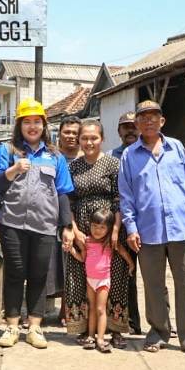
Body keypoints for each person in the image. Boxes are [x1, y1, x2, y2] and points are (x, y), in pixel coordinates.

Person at [118, 100, 185, 357]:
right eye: (143, 117)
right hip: (148, 231)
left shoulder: (176, 148)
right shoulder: (129, 155)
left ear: (162, 121)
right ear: (136, 123)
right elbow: (127, 196)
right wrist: (131, 228)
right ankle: (158, 331)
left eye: (153, 117)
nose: (148, 121)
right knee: (154, 285)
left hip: (180, 227)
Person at [0, 97, 74, 349]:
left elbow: (62, 191)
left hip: (44, 225)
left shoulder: (54, 155)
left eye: (37, 122)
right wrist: (13, 170)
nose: (33, 127)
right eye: (28, 122)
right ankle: (12, 326)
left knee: (38, 275)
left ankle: (35, 327)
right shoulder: (7, 151)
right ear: (20, 126)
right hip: (12, 223)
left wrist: (66, 226)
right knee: (15, 272)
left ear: (44, 125)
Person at [62, 119, 131, 348]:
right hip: (82, 229)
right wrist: (74, 229)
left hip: (109, 226)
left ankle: (116, 329)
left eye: (94, 138)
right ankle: (85, 329)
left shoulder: (113, 163)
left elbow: (119, 198)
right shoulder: (73, 166)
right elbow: (68, 201)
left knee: (115, 277)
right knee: (80, 277)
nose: (89, 142)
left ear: (102, 139)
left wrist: (116, 230)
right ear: (79, 140)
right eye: (85, 138)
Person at [69, 208, 134, 353]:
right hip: (90, 281)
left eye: (102, 227)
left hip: (103, 282)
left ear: (109, 228)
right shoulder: (86, 241)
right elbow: (82, 258)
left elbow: (123, 252)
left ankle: (100, 339)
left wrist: (131, 264)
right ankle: (91, 336)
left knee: (100, 309)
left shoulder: (110, 242)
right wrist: (72, 251)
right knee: (92, 308)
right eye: (94, 226)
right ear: (89, 225)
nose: (97, 230)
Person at [108, 111, 144, 336]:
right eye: (125, 126)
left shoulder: (148, 152)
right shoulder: (111, 157)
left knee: (154, 277)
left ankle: (162, 323)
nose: (130, 130)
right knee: (125, 275)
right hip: (122, 225)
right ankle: (130, 322)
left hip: (148, 224)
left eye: (133, 125)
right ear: (119, 131)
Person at [48, 115, 82, 327]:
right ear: (59, 134)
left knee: (74, 264)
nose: (71, 136)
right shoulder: (51, 156)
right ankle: (41, 310)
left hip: (81, 217)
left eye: (75, 133)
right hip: (52, 215)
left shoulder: (86, 157)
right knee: (53, 265)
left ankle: (67, 310)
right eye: (67, 132)